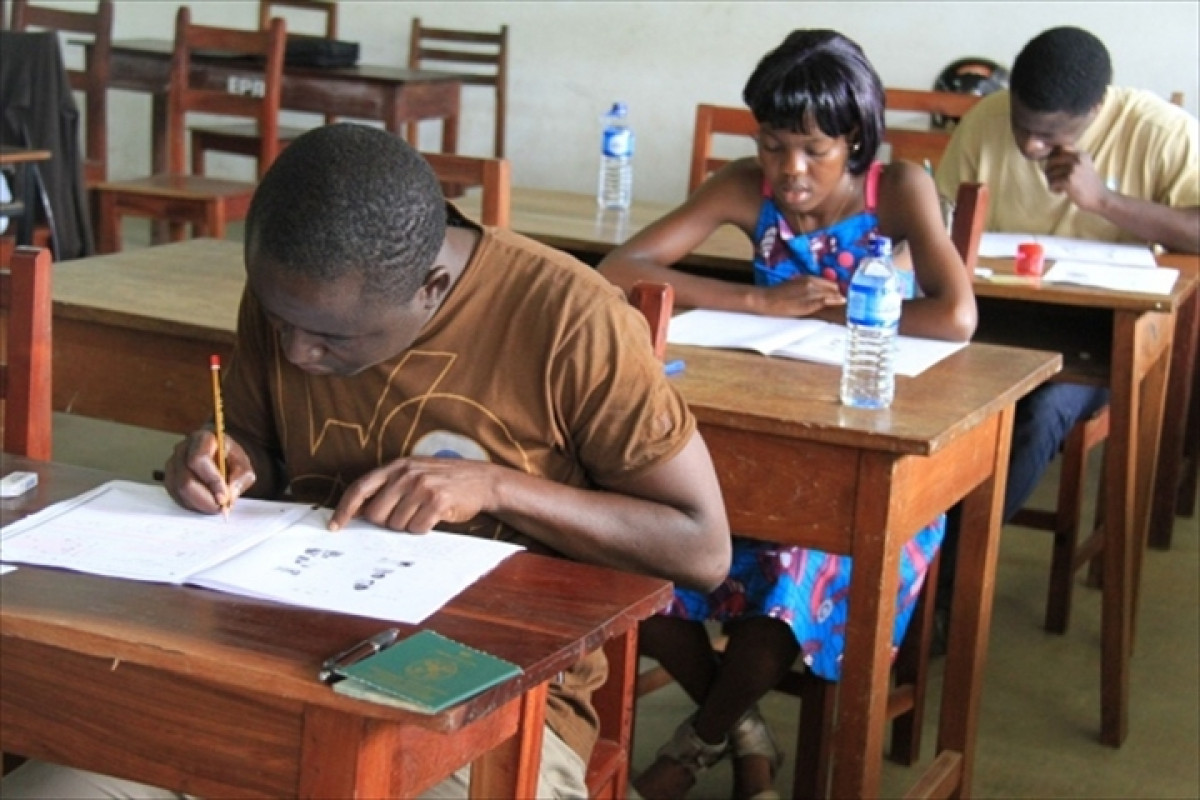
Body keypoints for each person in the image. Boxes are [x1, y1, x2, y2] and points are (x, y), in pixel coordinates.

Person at [0, 123, 732, 800]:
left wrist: (498, 487)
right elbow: (258, 448)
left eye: (331, 338)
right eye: (280, 322)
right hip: (264, 662)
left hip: (483, 700)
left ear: (431, 290)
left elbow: (701, 549)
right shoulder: (297, 292)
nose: (297, 352)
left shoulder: (571, 319)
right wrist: (224, 459)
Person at [598, 29, 976, 800]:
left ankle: (693, 748)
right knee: (629, 555)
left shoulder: (897, 190)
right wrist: (759, 301)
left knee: (793, 578)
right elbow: (619, 269)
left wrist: (838, 313)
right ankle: (742, 732)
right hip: (764, 431)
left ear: (856, 141)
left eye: (813, 150)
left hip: (872, 449)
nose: (789, 170)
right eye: (772, 146)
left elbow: (956, 315)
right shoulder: (747, 189)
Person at [933, 26, 1200, 628]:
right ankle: (902, 552)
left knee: (1039, 411)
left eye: (1051, 134)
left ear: (1097, 108)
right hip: (997, 318)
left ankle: (938, 592)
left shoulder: (1158, 132)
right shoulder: (986, 120)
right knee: (916, 389)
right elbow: (942, 218)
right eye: (1022, 125)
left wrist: (1103, 200)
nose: (1030, 145)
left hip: (1097, 339)